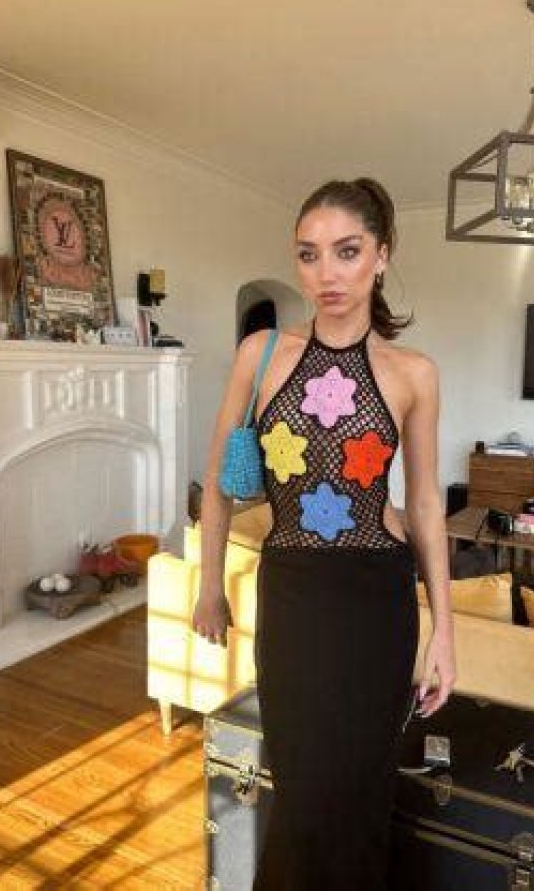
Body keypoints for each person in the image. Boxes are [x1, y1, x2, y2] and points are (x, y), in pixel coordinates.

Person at [193, 177, 455, 890]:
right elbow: (217, 482)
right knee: (303, 791)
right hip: (294, 596)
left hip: (379, 601)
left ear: (381, 255)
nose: (326, 274)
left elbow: (424, 503)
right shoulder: (261, 353)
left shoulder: (413, 373)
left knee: (362, 794)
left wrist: (444, 630)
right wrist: (209, 585)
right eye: (308, 255)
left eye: (347, 251)